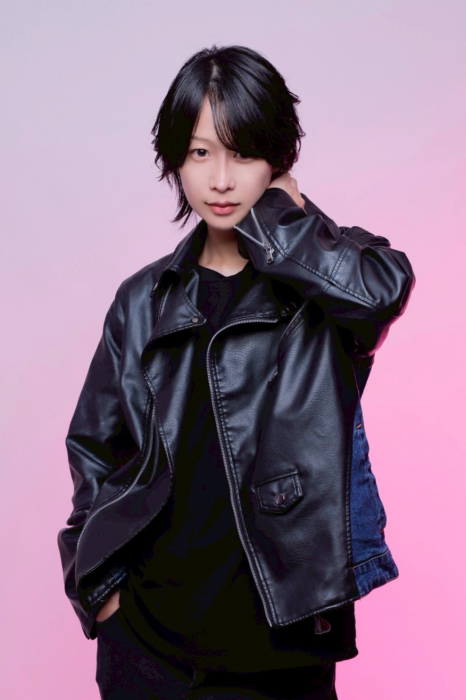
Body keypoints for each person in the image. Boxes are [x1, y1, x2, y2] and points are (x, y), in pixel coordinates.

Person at [57, 44, 416, 699]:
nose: (219, 180)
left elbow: (381, 292)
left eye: (243, 153)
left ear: (278, 161)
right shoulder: (143, 300)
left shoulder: (321, 290)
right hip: (148, 651)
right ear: (175, 159)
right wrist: (101, 590)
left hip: (279, 653)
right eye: (200, 153)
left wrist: (284, 224)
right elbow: (94, 448)